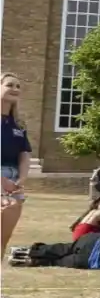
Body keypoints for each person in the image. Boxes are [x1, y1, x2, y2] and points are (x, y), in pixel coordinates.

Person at [1, 73, 31, 260]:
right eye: (10, 85)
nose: (15, 89)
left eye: (18, 86)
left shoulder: (18, 124)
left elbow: (24, 153)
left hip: (13, 182)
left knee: (3, 240)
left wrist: (21, 179)